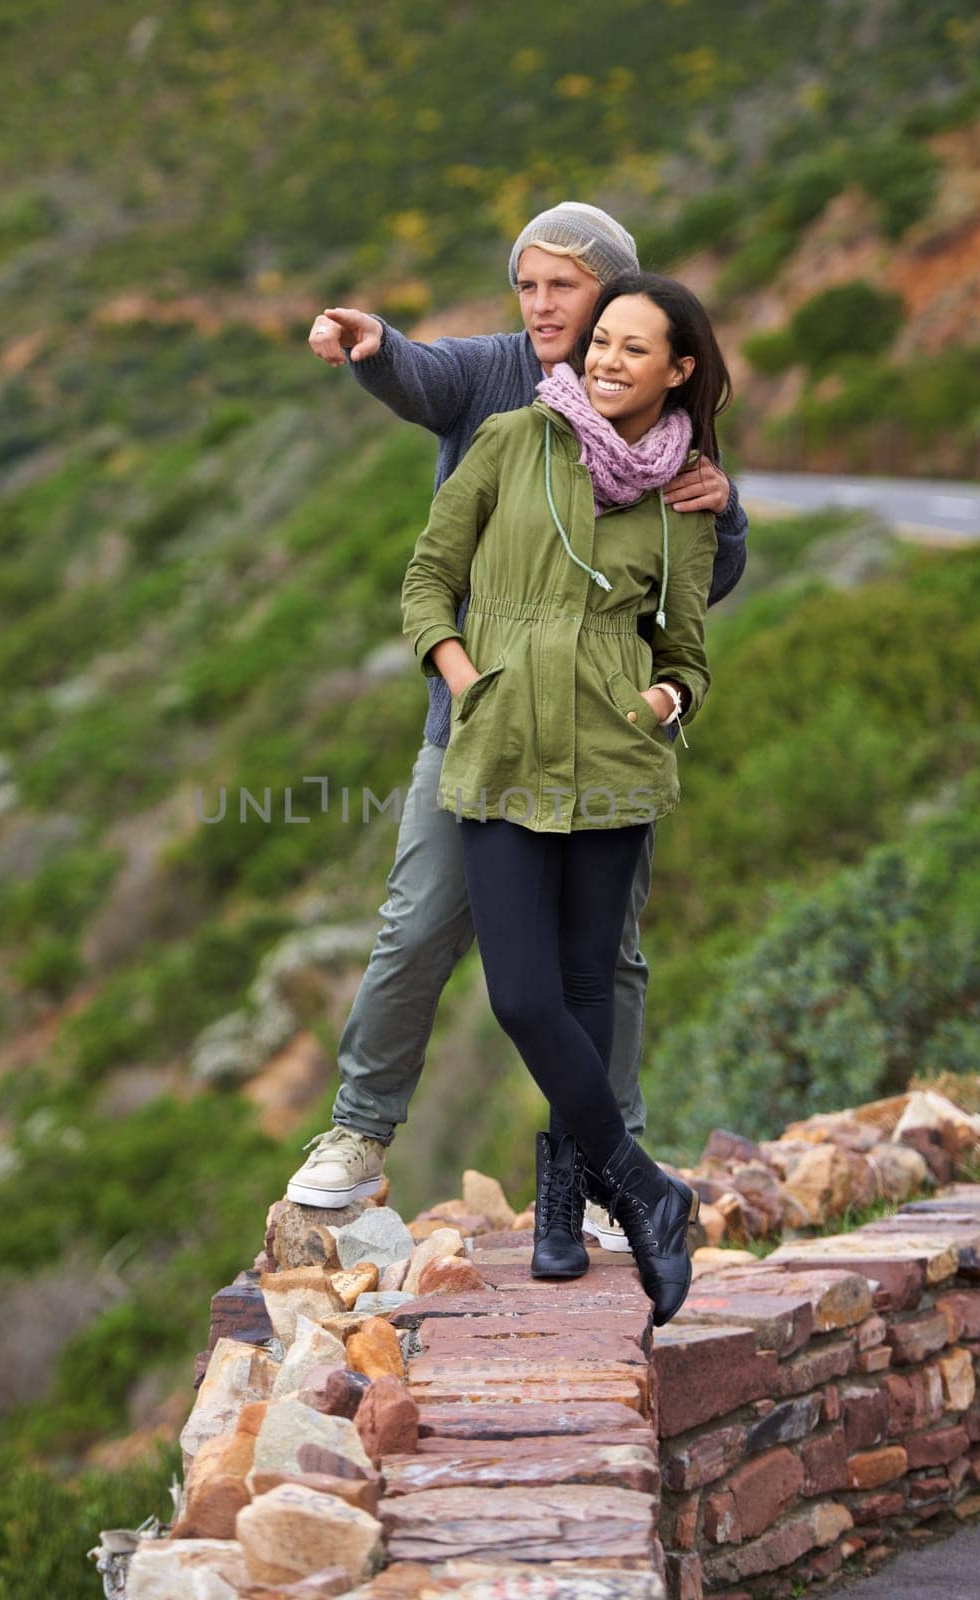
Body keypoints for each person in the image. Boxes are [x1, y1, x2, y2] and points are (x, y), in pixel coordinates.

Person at [285, 203, 748, 1255]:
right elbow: (422, 377)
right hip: (480, 732)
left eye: (565, 289)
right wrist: (372, 347)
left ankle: (595, 1174)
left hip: (601, 749)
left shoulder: (662, 416)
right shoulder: (500, 380)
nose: (543, 307)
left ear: (622, 303)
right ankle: (359, 1134)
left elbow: (706, 583)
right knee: (420, 925)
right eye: (527, 285)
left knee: (605, 962)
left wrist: (713, 517)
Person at [399, 272, 729, 1321]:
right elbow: (425, 579)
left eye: (636, 348)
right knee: (522, 997)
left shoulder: (685, 499)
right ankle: (646, 1189)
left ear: (679, 370)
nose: (606, 360)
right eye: (602, 342)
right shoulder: (511, 442)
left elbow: (689, 649)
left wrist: (665, 696)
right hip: (499, 755)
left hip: (613, 766)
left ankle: (561, 1207)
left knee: (586, 992)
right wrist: (464, 677)